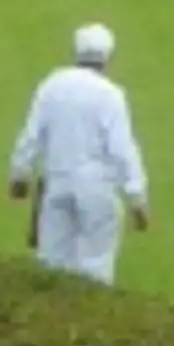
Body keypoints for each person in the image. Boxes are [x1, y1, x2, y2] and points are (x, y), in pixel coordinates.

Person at [8, 24, 150, 287]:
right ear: (108, 57)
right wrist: (137, 198)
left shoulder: (52, 84)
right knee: (96, 266)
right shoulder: (110, 94)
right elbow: (123, 149)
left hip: (57, 183)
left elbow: (31, 134)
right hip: (97, 189)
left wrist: (20, 174)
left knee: (50, 263)